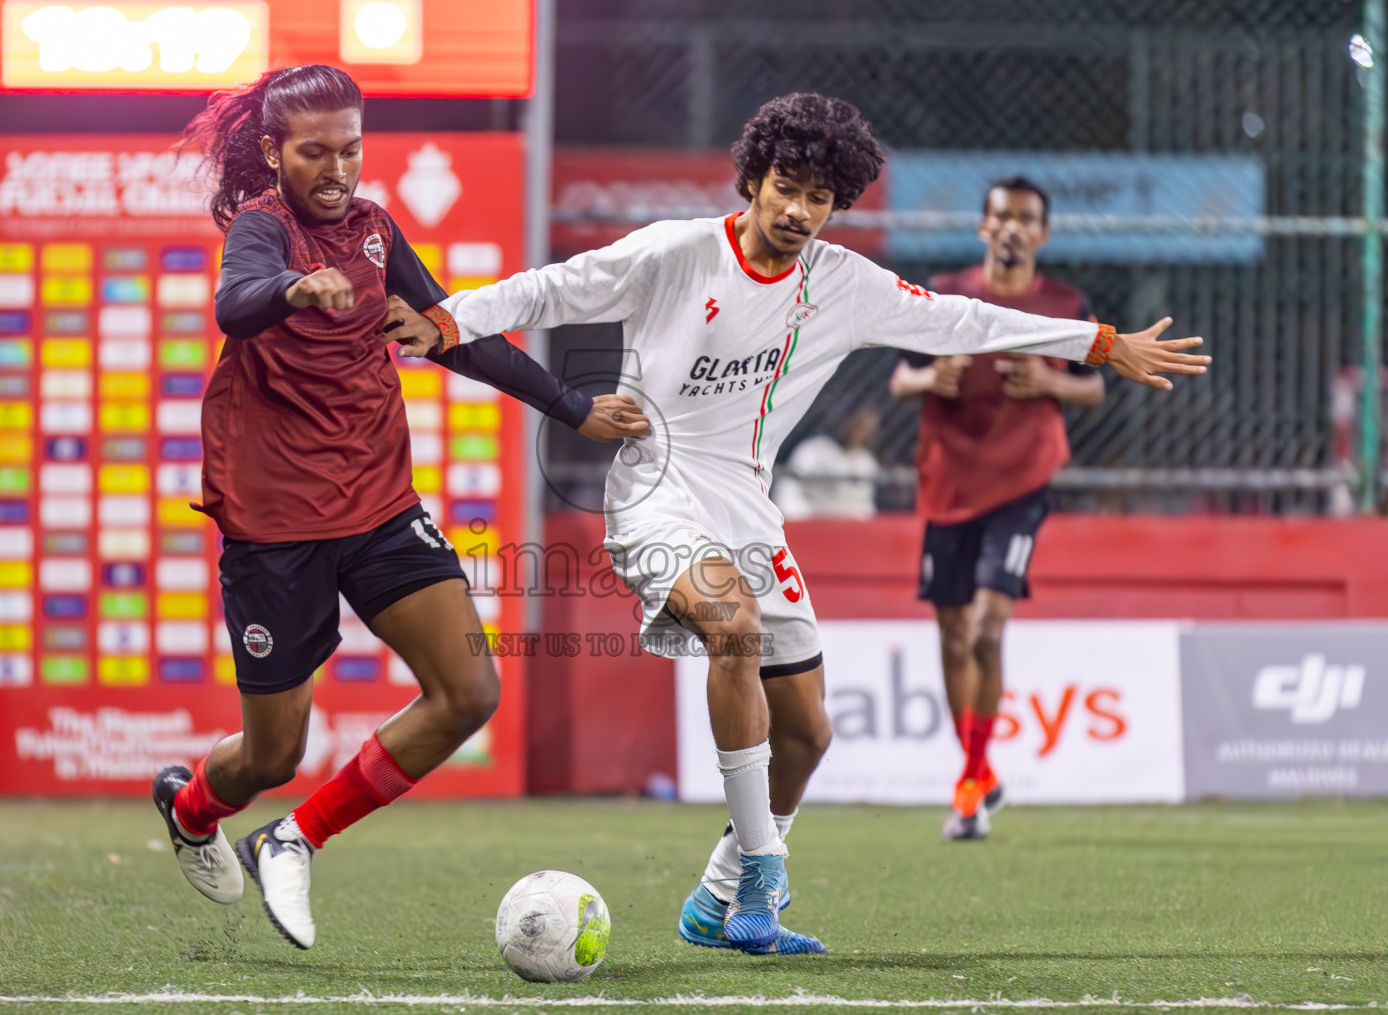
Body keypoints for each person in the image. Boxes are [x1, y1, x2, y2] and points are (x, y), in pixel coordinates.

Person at [386, 94, 1209, 955]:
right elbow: (553, 287)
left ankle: (715, 902)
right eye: (785, 186)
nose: (798, 211)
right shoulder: (677, 253)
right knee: (731, 626)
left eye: (819, 197)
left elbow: (960, 319)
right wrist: (448, 319)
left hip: (747, 504)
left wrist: (1098, 342)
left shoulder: (841, 285)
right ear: (752, 178)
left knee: (810, 732)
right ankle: (765, 871)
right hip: (655, 488)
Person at [149, 65, 647, 951]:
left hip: (379, 506)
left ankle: (294, 836)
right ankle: (191, 807)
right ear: (273, 152)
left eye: (351, 148)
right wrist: (293, 291)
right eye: (314, 152)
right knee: (270, 758)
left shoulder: (376, 230)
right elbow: (235, 305)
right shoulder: (264, 228)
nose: (337, 169)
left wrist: (573, 408)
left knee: (468, 692)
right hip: (277, 529)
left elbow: (446, 330)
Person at [888, 176, 1105, 842]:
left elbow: (1096, 384)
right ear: (984, 227)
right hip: (949, 481)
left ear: (1042, 234)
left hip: (1021, 483)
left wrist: (1051, 382)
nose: (1012, 228)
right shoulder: (946, 294)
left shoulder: (1063, 305)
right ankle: (978, 773)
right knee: (953, 635)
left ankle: (971, 782)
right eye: (1001, 217)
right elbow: (900, 375)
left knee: (986, 628)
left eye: (1026, 219)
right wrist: (932, 377)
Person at [772, 403, 881, 520]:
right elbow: (787, 489)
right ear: (845, 420)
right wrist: (803, 519)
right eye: (858, 425)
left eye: (867, 430)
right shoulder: (813, 449)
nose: (861, 433)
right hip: (812, 524)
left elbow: (865, 506)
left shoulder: (866, 462)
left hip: (850, 529)